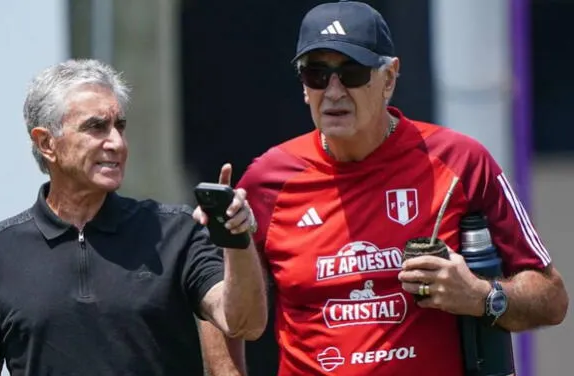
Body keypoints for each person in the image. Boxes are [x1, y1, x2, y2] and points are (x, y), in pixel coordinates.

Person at [198, 1, 569, 375]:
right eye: (317, 74)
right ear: (303, 86)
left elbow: (551, 298)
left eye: (353, 72)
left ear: (389, 78)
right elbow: (217, 303)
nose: (334, 91)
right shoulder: (267, 180)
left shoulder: (461, 162)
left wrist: (480, 296)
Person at [0, 59, 267, 376]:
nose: (116, 142)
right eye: (96, 127)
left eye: (120, 127)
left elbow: (245, 323)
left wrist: (236, 237)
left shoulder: (178, 231)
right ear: (47, 143)